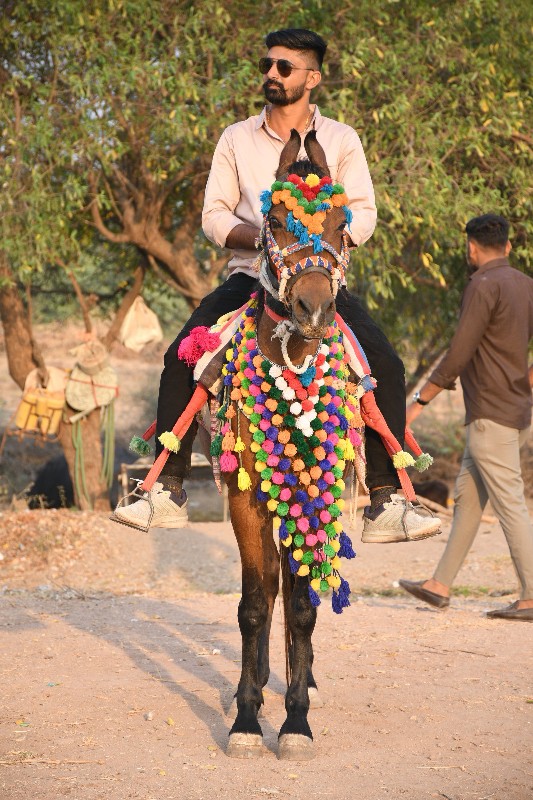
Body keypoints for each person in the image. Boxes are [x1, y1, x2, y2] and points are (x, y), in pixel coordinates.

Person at [113, 28, 441, 543]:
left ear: (312, 78)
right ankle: (165, 488)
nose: (271, 74)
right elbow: (215, 216)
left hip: (320, 281)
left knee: (386, 364)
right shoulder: (235, 138)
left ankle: (386, 499)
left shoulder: (343, 139)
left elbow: (366, 213)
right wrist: (265, 237)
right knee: (181, 354)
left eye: (284, 67)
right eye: (267, 64)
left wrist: (318, 246)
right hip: (249, 279)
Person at [399, 214, 533, 621]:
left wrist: (417, 404)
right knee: (469, 501)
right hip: (512, 410)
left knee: (510, 503)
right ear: (507, 247)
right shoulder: (526, 285)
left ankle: (531, 595)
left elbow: (458, 353)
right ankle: (439, 585)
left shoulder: (481, 285)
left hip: (491, 414)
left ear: (472, 249)